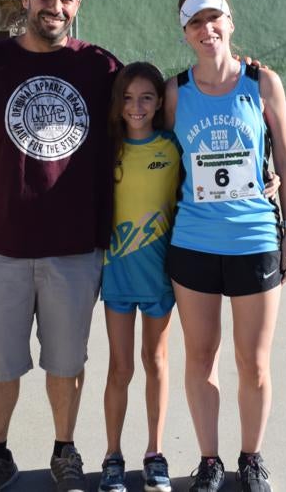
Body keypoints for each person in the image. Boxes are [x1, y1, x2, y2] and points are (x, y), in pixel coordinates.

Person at [0, 0, 122, 492]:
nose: (55, 7)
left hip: (74, 247)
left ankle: (64, 450)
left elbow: (153, 116)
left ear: (78, 5)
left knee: (67, 361)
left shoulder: (102, 69)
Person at [163, 0, 286, 492]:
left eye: (214, 18)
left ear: (231, 21)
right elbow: (156, 154)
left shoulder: (262, 82)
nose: (207, 30)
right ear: (185, 33)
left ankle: (251, 456)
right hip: (194, 242)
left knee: (254, 362)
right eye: (196, 23)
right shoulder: (175, 92)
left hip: (254, 240)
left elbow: (284, 157)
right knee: (200, 358)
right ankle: (209, 460)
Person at [98, 62, 181, 492]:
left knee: (157, 362)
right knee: (120, 367)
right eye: (128, 98)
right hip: (116, 275)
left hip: (160, 278)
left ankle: (155, 453)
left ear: (160, 102)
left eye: (147, 97)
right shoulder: (106, 150)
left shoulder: (172, 148)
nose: (137, 106)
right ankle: (113, 455)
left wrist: (269, 174)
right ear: (118, 103)